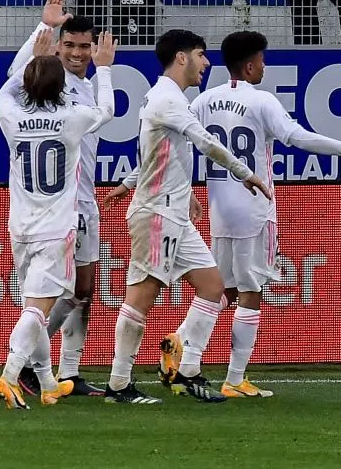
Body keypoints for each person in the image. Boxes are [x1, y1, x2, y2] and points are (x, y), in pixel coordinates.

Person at [176, 30, 341, 397]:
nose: (264, 65)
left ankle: (183, 348)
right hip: (255, 211)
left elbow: (180, 144)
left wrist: (185, 192)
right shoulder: (261, 102)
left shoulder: (203, 102)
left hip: (218, 211)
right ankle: (234, 379)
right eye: (261, 59)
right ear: (249, 65)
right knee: (252, 292)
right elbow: (298, 137)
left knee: (221, 289)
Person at [101, 30, 272, 405]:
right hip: (158, 212)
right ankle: (118, 384)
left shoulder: (169, 97)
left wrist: (134, 183)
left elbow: (161, 152)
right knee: (141, 297)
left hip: (175, 211)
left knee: (213, 288)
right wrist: (246, 173)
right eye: (200, 54)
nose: (206, 63)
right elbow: (205, 142)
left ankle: (183, 366)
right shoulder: (166, 98)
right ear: (181, 58)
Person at [0, 28, 116, 410]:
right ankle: (10, 374)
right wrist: (106, 69)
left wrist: (33, 56)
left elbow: (7, 90)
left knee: (40, 303)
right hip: (56, 230)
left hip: (20, 228)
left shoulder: (10, 116)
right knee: (39, 308)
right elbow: (108, 111)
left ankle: (47, 382)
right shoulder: (71, 117)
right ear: (62, 85)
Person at [15, 0, 106, 397]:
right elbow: (12, 80)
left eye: (84, 46)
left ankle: (66, 371)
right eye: (69, 44)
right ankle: (31, 363)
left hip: (85, 199)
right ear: (57, 46)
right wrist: (44, 27)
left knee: (83, 292)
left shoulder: (86, 88)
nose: (77, 53)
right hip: (57, 207)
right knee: (59, 292)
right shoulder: (49, 82)